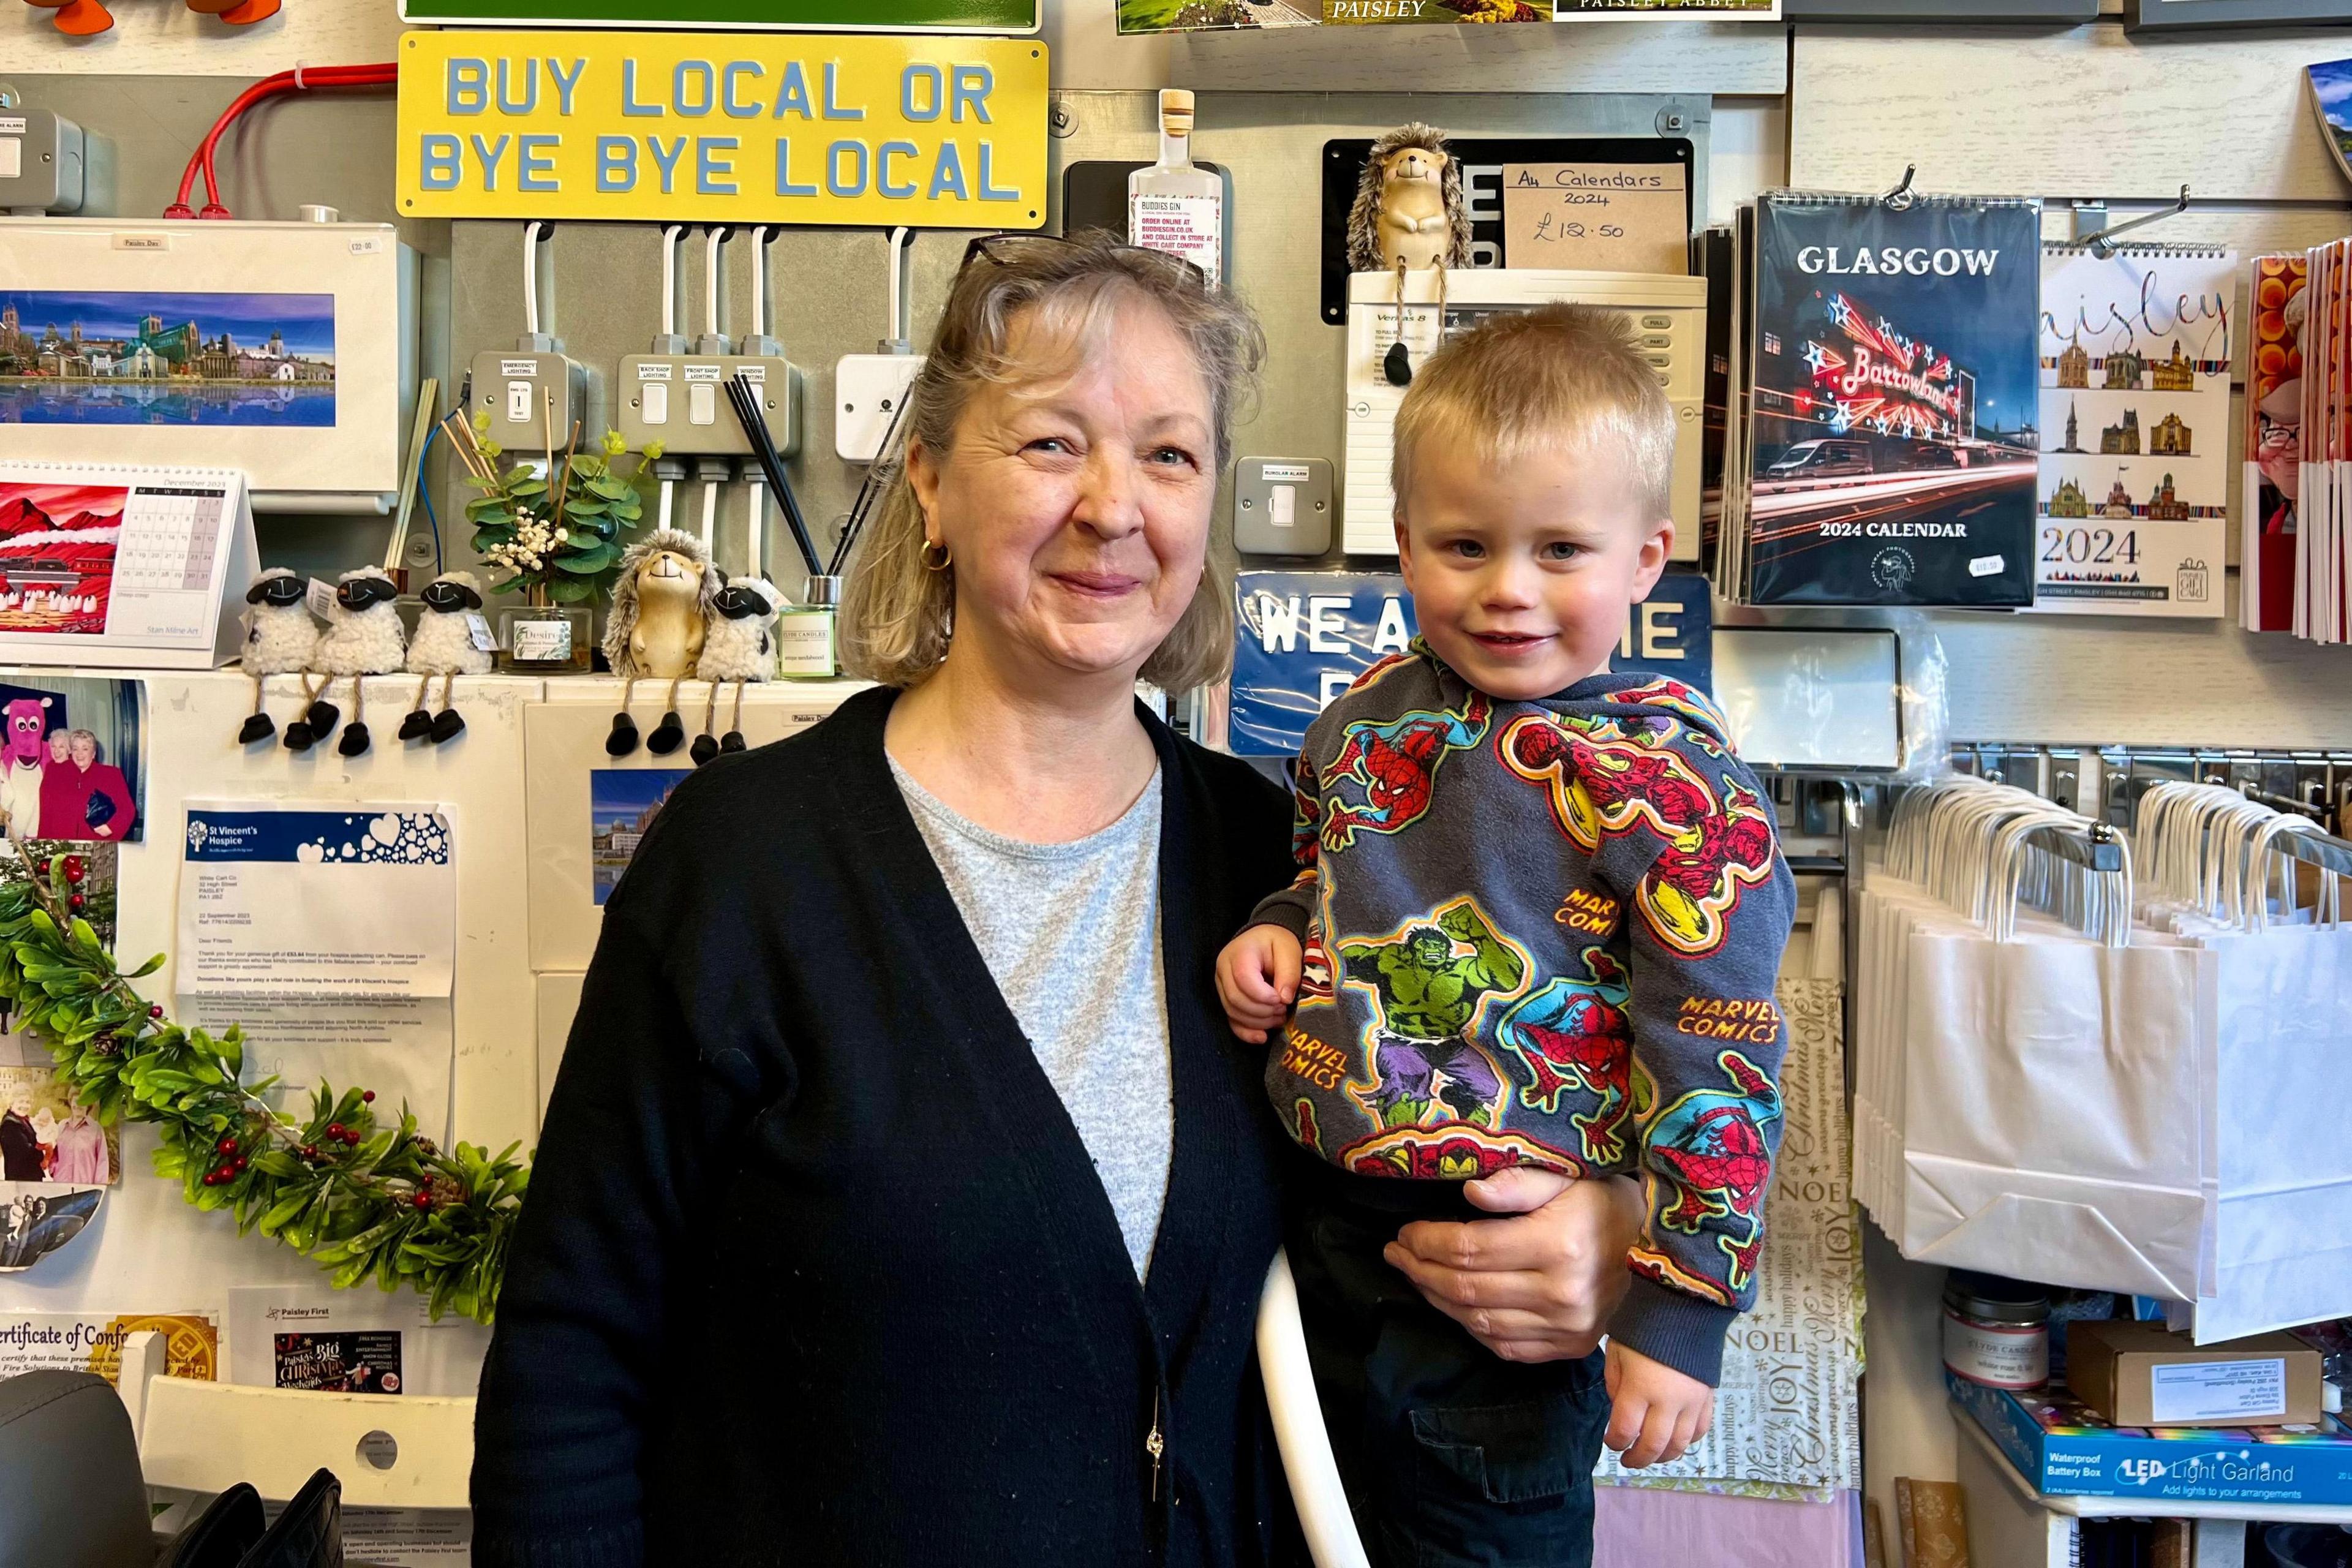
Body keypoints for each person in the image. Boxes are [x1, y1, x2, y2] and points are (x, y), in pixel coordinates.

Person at [471, 235, 1645, 1568]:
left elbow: (1449, 1160)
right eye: (1048, 444)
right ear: (928, 481)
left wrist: (1604, 1229)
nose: (1113, 506)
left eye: (1168, 454)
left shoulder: (1302, 862)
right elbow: (574, 1351)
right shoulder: (744, 864)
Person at [1218, 304, 1797, 1568]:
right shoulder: (1353, 725)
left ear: (1647, 557)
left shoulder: (1674, 787)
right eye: (1465, 544)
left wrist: (1681, 1304)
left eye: (1561, 549)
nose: (1508, 590)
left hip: (1500, 1293)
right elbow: (1327, 878)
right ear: (1405, 543)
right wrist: (1270, 934)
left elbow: (1720, 1053)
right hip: (1314, 1239)